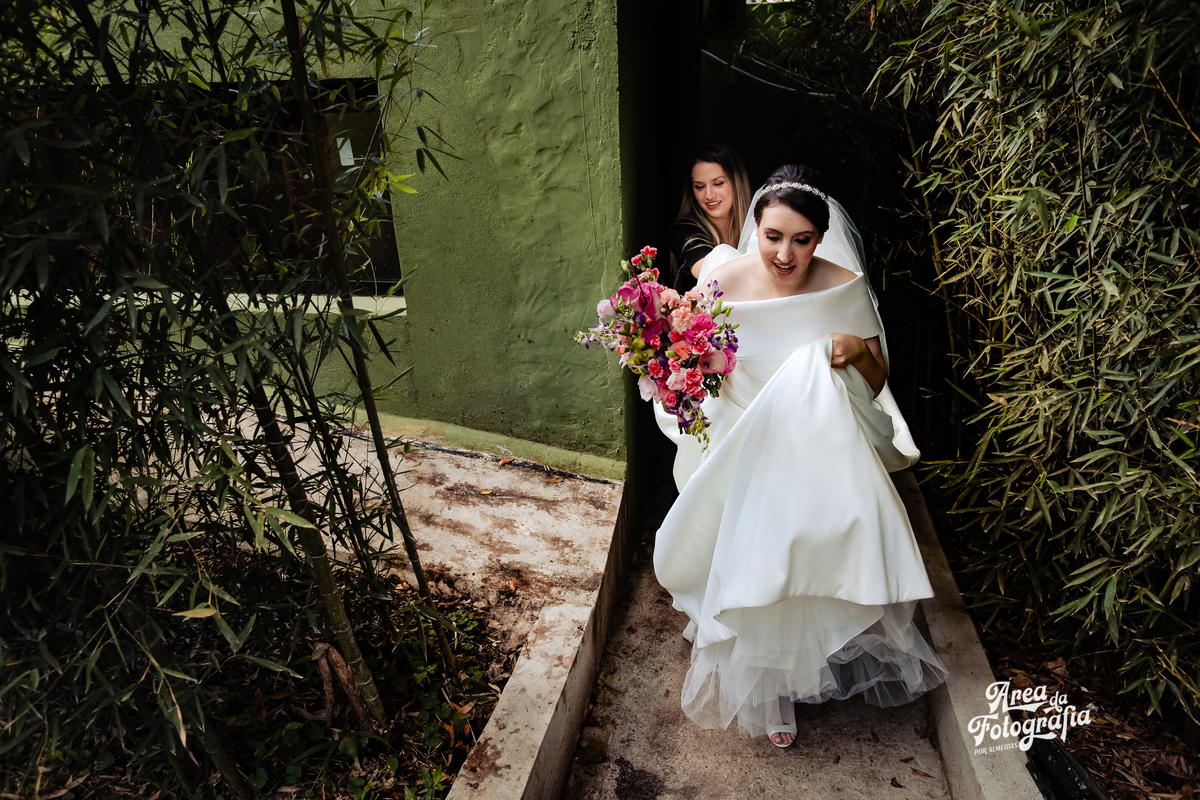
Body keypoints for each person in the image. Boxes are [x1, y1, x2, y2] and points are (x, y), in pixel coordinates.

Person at [652, 165, 947, 748]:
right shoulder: (725, 283)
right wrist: (696, 369)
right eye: (772, 237)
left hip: (812, 437)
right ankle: (770, 688)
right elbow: (691, 357)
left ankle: (805, 658)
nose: (785, 254)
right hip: (742, 431)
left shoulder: (843, 286)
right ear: (753, 229)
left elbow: (876, 374)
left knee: (804, 548)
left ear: (821, 236)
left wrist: (849, 351)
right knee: (753, 554)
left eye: (802, 240)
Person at [666, 144, 753, 294]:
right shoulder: (683, 232)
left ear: (737, 183)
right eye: (699, 186)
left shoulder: (758, 225)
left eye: (718, 183)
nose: (709, 195)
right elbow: (717, 278)